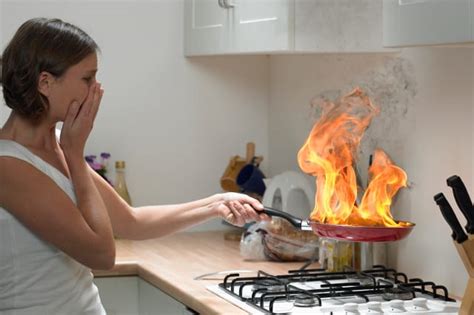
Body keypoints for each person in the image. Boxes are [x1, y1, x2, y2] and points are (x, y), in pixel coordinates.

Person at [0, 18, 269, 314]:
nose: (96, 89)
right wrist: (76, 157)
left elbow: (130, 221)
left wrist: (216, 204)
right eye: (87, 79)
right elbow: (101, 254)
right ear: (46, 83)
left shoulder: (58, 145)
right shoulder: (8, 165)